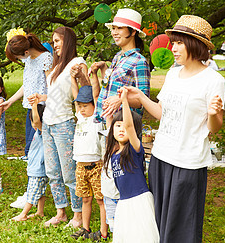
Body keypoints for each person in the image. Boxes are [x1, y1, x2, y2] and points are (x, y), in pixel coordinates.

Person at [123, 15, 225, 242]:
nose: (173, 48)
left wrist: (214, 114)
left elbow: (214, 128)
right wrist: (140, 96)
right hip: (161, 157)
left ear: (195, 44)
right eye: (174, 42)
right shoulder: (172, 74)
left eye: (179, 42)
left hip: (188, 163)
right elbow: (162, 113)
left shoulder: (213, 80)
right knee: (158, 222)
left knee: (182, 228)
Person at [28, 26, 88, 228]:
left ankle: (78, 215)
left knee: (69, 171)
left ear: (68, 40)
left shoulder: (77, 63)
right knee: (53, 171)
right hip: (48, 124)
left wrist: (80, 76)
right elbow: (55, 95)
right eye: (53, 42)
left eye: (57, 41)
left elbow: (85, 92)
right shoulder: (56, 67)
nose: (54, 46)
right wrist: (41, 98)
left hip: (64, 123)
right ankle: (61, 211)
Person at [103, 88, 159, 243]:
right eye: (117, 126)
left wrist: (124, 101)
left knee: (142, 237)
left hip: (139, 200)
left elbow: (129, 126)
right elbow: (111, 127)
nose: (121, 129)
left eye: (124, 126)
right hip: (124, 203)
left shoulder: (135, 149)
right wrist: (109, 111)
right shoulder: (114, 152)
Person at [92, 8, 150, 126]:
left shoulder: (139, 62)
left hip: (123, 127)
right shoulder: (118, 56)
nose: (114, 32)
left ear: (133, 32)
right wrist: (103, 68)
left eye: (120, 28)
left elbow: (143, 101)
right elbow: (111, 85)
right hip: (106, 123)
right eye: (113, 28)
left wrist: (121, 100)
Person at [1, 30, 52, 159]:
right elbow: (27, 85)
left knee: (35, 144)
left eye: (18, 57)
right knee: (29, 146)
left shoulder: (45, 59)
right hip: (31, 106)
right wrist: (10, 101)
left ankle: (38, 172)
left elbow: (51, 86)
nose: (18, 60)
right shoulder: (29, 59)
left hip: (41, 107)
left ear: (26, 52)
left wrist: (44, 99)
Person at [69, 82, 107, 240]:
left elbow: (97, 95)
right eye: (80, 106)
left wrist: (93, 75)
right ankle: (85, 228)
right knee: (85, 198)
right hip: (80, 167)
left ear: (94, 105)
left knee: (100, 199)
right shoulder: (80, 117)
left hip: (96, 166)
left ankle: (103, 231)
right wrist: (72, 77)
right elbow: (74, 92)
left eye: (85, 106)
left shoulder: (97, 120)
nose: (82, 109)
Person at [11, 97, 48, 221]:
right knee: (40, 191)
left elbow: (37, 121)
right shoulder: (40, 133)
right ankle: (40, 212)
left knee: (32, 192)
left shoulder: (43, 131)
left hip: (38, 169)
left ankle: (23, 214)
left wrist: (34, 106)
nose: (33, 124)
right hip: (36, 168)